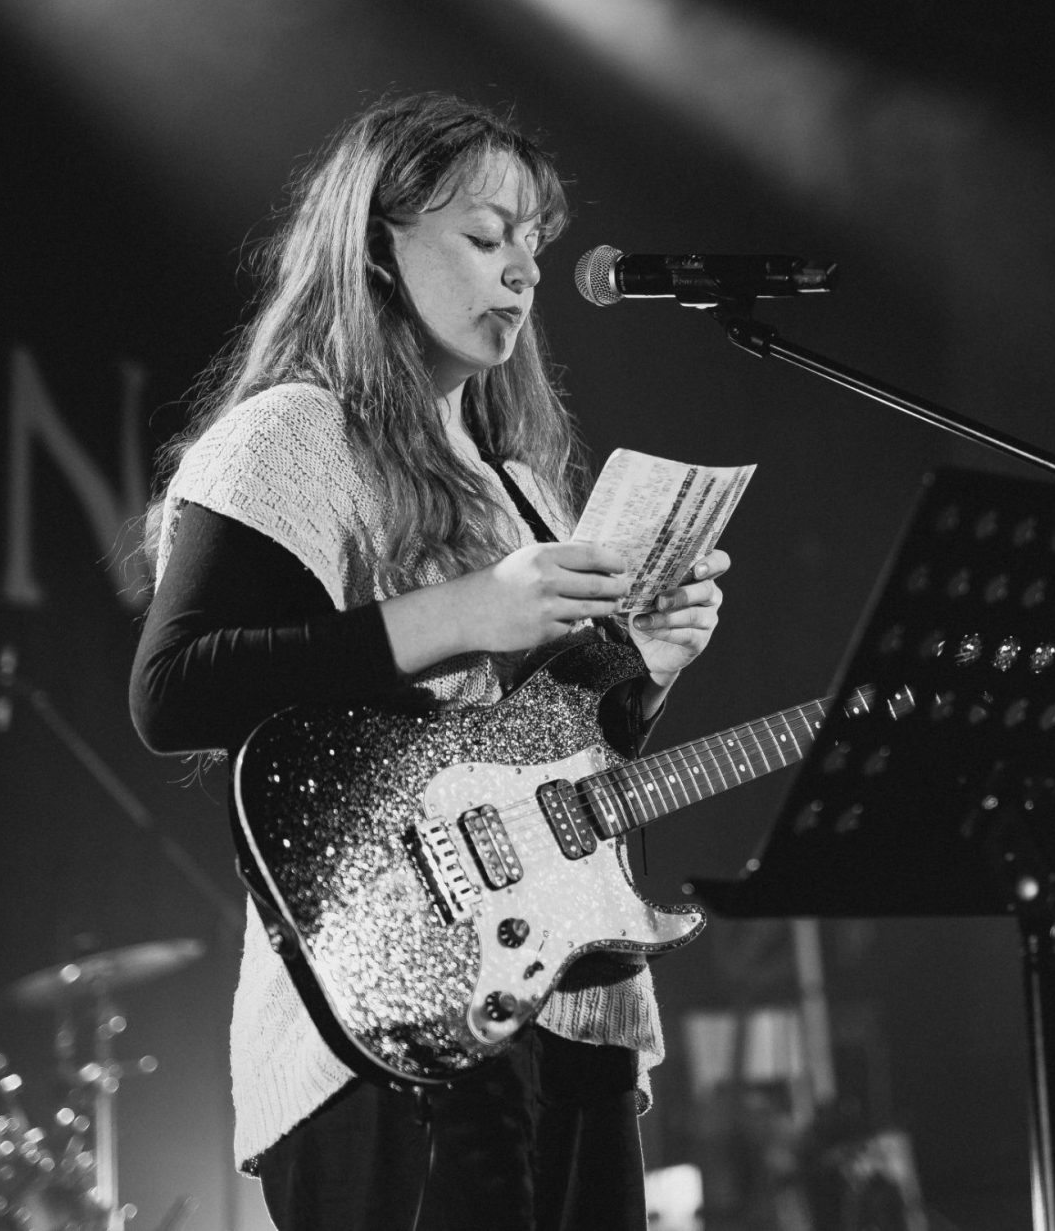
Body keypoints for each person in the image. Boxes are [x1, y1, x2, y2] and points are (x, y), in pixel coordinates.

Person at [129, 91, 731, 1230]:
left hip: (572, 1009)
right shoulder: (291, 437)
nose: (524, 271)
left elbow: (549, 756)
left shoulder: (521, 484)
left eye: (532, 244)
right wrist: (468, 611)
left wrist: (644, 670)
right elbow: (176, 689)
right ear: (377, 247)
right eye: (485, 235)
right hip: (390, 1006)